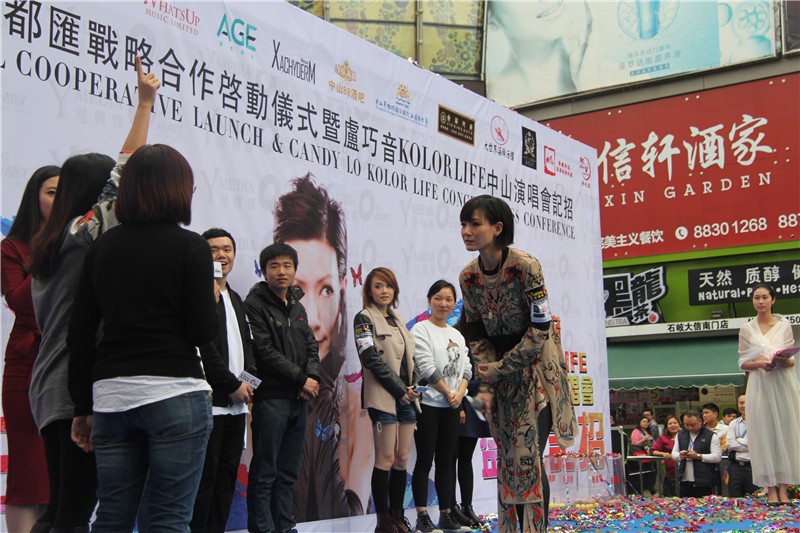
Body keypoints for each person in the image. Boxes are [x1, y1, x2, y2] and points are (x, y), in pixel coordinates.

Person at [28, 57, 157, 533]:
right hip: (73, 388)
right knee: (73, 511)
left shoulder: (51, 244)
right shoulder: (82, 236)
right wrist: (144, 104)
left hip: (51, 385)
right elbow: (126, 169)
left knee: (61, 507)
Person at [67, 139, 218, 532]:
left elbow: (80, 333)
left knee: (112, 517)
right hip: (175, 391)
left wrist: (82, 405)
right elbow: (202, 331)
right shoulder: (192, 247)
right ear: (178, 190)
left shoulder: (102, 248)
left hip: (111, 396)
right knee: (168, 519)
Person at [458, 195, 577, 533]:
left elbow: (540, 328)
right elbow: (475, 332)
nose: (466, 231)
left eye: (475, 224)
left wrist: (498, 369)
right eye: (463, 224)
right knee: (508, 461)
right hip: (500, 374)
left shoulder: (526, 266)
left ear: (498, 228)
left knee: (528, 458)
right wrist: (486, 379)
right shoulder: (467, 277)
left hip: (537, 369)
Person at [273, 174, 372, 520]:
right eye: (297, 290)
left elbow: (349, 516)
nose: (313, 318)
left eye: (326, 290)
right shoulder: (261, 405)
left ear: (343, 287)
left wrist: (327, 411)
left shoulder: (356, 407)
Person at [244, 243, 322, 533]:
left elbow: (311, 346)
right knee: (265, 470)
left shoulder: (298, 306)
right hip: (271, 398)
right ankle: (262, 528)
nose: (281, 271)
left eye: (287, 265)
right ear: (264, 271)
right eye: (274, 266)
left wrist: (311, 377)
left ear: (294, 270)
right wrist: (301, 379)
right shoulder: (254, 304)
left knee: (288, 472)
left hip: (298, 399)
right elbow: (263, 350)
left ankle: (284, 526)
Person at [1, 165, 60, 533]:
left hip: (67, 364)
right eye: (52, 192)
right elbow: (21, 301)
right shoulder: (13, 247)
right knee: (28, 473)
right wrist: (46, 251)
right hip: (28, 364)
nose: (59, 200)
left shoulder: (79, 242)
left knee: (61, 474)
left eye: (64, 193)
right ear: (33, 198)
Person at [190, 228, 256, 533]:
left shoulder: (236, 298)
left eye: (227, 249)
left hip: (237, 406)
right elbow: (205, 348)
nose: (221, 255)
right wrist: (230, 385)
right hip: (210, 403)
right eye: (213, 250)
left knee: (227, 476)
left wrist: (248, 385)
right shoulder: (199, 296)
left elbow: (248, 345)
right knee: (205, 478)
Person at [354, 267, 420, 533]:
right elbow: (370, 357)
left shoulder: (398, 319)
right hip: (383, 396)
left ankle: (397, 516)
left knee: (402, 458)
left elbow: (411, 360)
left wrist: (413, 388)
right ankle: (382, 522)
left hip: (407, 398)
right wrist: (399, 388)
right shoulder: (363, 318)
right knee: (385, 457)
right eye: (378, 286)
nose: (384, 291)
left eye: (388, 286)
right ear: (369, 291)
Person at [410, 280, 472, 533]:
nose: (443, 304)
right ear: (429, 301)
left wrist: (459, 393)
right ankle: (422, 516)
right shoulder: (420, 330)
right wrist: (448, 392)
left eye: (449, 299)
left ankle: (446, 515)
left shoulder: (456, 334)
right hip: (428, 404)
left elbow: (467, 368)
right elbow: (425, 366)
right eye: (438, 298)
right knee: (425, 460)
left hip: (452, 405)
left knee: (446, 461)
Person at [737, 283, 799, 505]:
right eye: (756, 297)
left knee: (785, 432)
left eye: (764, 297)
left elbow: (791, 361)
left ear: (773, 299)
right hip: (760, 384)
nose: (760, 301)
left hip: (782, 384)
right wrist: (760, 364)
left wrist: (783, 359)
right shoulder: (746, 329)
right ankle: (770, 489)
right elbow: (743, 362)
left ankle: (784, 488)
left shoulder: (784, 326)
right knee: (763, 433)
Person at [670, 410, 722, 497]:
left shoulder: (711, 435)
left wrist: (698, 456)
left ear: (700, 421)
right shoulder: (681, 434)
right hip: (685, 480)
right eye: (686, 425)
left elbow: (717, 457)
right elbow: (673, 454)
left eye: (693, 425)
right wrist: (680, 455)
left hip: (704, 481)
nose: (689, 427)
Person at [726, 394, 759, 498]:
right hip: (735, 466)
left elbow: (758, 445)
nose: (743, 405)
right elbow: (730, 444)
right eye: (741, 403)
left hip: (753, 467)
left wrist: (739, 440)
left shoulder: (759, 423)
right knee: (734, 498)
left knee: (754, 498)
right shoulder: (733, 423)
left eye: (746, 402)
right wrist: (749, 445)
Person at [651, 415, 680, 497]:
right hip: (671, 474)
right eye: (670, 424)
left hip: (685, 474)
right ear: (666, 426)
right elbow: (653, 451)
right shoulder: (663, 438)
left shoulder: (685, 436)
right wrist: (663, 454)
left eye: (675, 423)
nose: (673, 425)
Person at [628, 416, 655, 495]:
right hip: (641, 455)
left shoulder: (649, 432)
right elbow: (634, 444)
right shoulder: (636, 431)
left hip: (650, 455)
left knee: (651, 472)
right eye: (643, 421)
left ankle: (651, 487)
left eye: (647, 422)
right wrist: (643, 440)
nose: (645, 423)